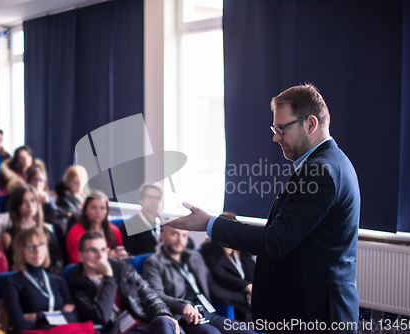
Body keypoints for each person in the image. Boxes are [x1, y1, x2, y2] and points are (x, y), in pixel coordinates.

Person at [167, 84, 361, 333]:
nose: (275, 137)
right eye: (274, 128)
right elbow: (286, 233)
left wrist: (209, 223)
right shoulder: (333, 163)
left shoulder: (320, 171)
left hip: (313, 314)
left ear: (311, 124)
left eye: (282, 128)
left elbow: (275, 242)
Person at [143, 225, 255, 334]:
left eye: (184, 235)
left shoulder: (194, 257)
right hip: (183, 317)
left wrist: (244, 296)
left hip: (207, 312)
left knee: (246, 331)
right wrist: (182, 305)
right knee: (212, 333)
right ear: (163, 237)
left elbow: (212, 287)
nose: (180, 240)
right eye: (175, 234)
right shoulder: (153, 263)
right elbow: (155, 295)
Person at [67, 231, 181, 334]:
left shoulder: (121, 268)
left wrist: (163, 314)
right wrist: (108, 277)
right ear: (81, 256)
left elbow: (148, 295)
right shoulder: (77, 282)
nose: (100, 256)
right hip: (118, 331)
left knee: (163, 321)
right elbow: (101, 315)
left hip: (145, 324)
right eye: (93, 250)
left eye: (103, 250)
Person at [2, 227, 79, 333]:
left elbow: (74, 318)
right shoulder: (11, 281)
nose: (37, 251)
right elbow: (20, 325)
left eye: (41, 245)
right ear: (21, 251)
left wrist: (37, 316)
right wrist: (59, 315)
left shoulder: (58, 280)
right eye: (30, 246)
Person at [200, 212, 255, 322]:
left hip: (250, 300)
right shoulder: (210, 249)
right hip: (232, 301)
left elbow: (254, 271)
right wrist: (247, 287)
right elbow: (221, 275)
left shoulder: (241, 250)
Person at [2, 185, 63, 272]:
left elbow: (57, 260)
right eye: (24, 202)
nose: (30, 205)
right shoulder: (9, 235)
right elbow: (13, 264)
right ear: (16, 205)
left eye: (33, 200)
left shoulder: (46, 230)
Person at [66, 190, 126, 263]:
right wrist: (106, 258)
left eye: (102, 208)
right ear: (85, 210)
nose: (98, 211)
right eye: (93, 207)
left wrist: (121, 256)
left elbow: (119, 256)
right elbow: (77, 261)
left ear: (107, 211)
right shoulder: (75, 232)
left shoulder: (114, 231)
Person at [120, 183, 168, 256]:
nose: (153, 200)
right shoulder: (129, 226)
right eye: (149, 197)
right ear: (141, 199)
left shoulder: (168, 222)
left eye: (157, 197)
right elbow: (129, 255)